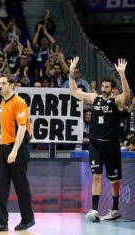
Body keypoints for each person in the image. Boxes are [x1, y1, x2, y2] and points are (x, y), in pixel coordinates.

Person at [68, 56, 130, 222]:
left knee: (113, 179)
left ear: (112, 89)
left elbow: (127, 94)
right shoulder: (95, 98)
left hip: (111, 145)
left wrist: (122, 75)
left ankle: (115, 209)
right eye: (102, 86)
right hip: (95, 144)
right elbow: (73, 92)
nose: (103, 89)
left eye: (107, 87)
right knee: (96, 176)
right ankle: (94, 210)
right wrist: (71, 73)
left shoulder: (116, 101)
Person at [0, 74, 35, 232]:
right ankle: (1, 222)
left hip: (18, 148)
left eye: (3, 83)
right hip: (5, 148)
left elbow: (22, 128)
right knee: (0, 184)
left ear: (11, 86)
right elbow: (3, 129)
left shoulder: (19, 102)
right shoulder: (3, 103)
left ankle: (28, 219)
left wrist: (14, 150)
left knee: (20, 184)